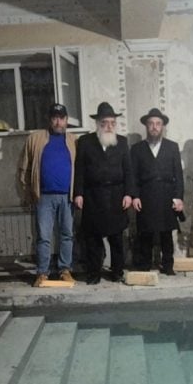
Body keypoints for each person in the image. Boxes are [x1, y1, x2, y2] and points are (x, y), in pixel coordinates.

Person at [74, 101, 136, 284]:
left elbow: (128, 171)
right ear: (98, 124)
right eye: (105, 123)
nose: (109, 126)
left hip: (116, 196)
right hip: (93, 196)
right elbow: (79, 170)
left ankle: (117, 272)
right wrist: (78, 193)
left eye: (112, 123)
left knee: (117, 238)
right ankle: (94, 274)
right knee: (93, 239)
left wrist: (129, 194)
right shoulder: (85, 142)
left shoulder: (122, 142)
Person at [17, 103, 77, 287]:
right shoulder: (35, 139)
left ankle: (64, 270)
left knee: (67, 234)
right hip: (43, 197)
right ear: (49, 120)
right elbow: (24, 168)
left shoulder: (74, 140)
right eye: (55, 118)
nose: (58, 122)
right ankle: (42, 273)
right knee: (43, 236)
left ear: (66, 120)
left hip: (67, 196)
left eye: (61, 118)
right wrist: (28, 193)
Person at [130, 107, 184, 275]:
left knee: (166, 233)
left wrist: (178, 197)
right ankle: (145, 265)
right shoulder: (137, 149)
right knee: (145, 232)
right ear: (146, 126)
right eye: (151, 123)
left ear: (162, 126)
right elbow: (133, 175)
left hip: (166, 195)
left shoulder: (172, 147)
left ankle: (168, 266)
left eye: (158, 123)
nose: (154, 127)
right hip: (145, 195)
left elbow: (178, 175)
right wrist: (135, 196)